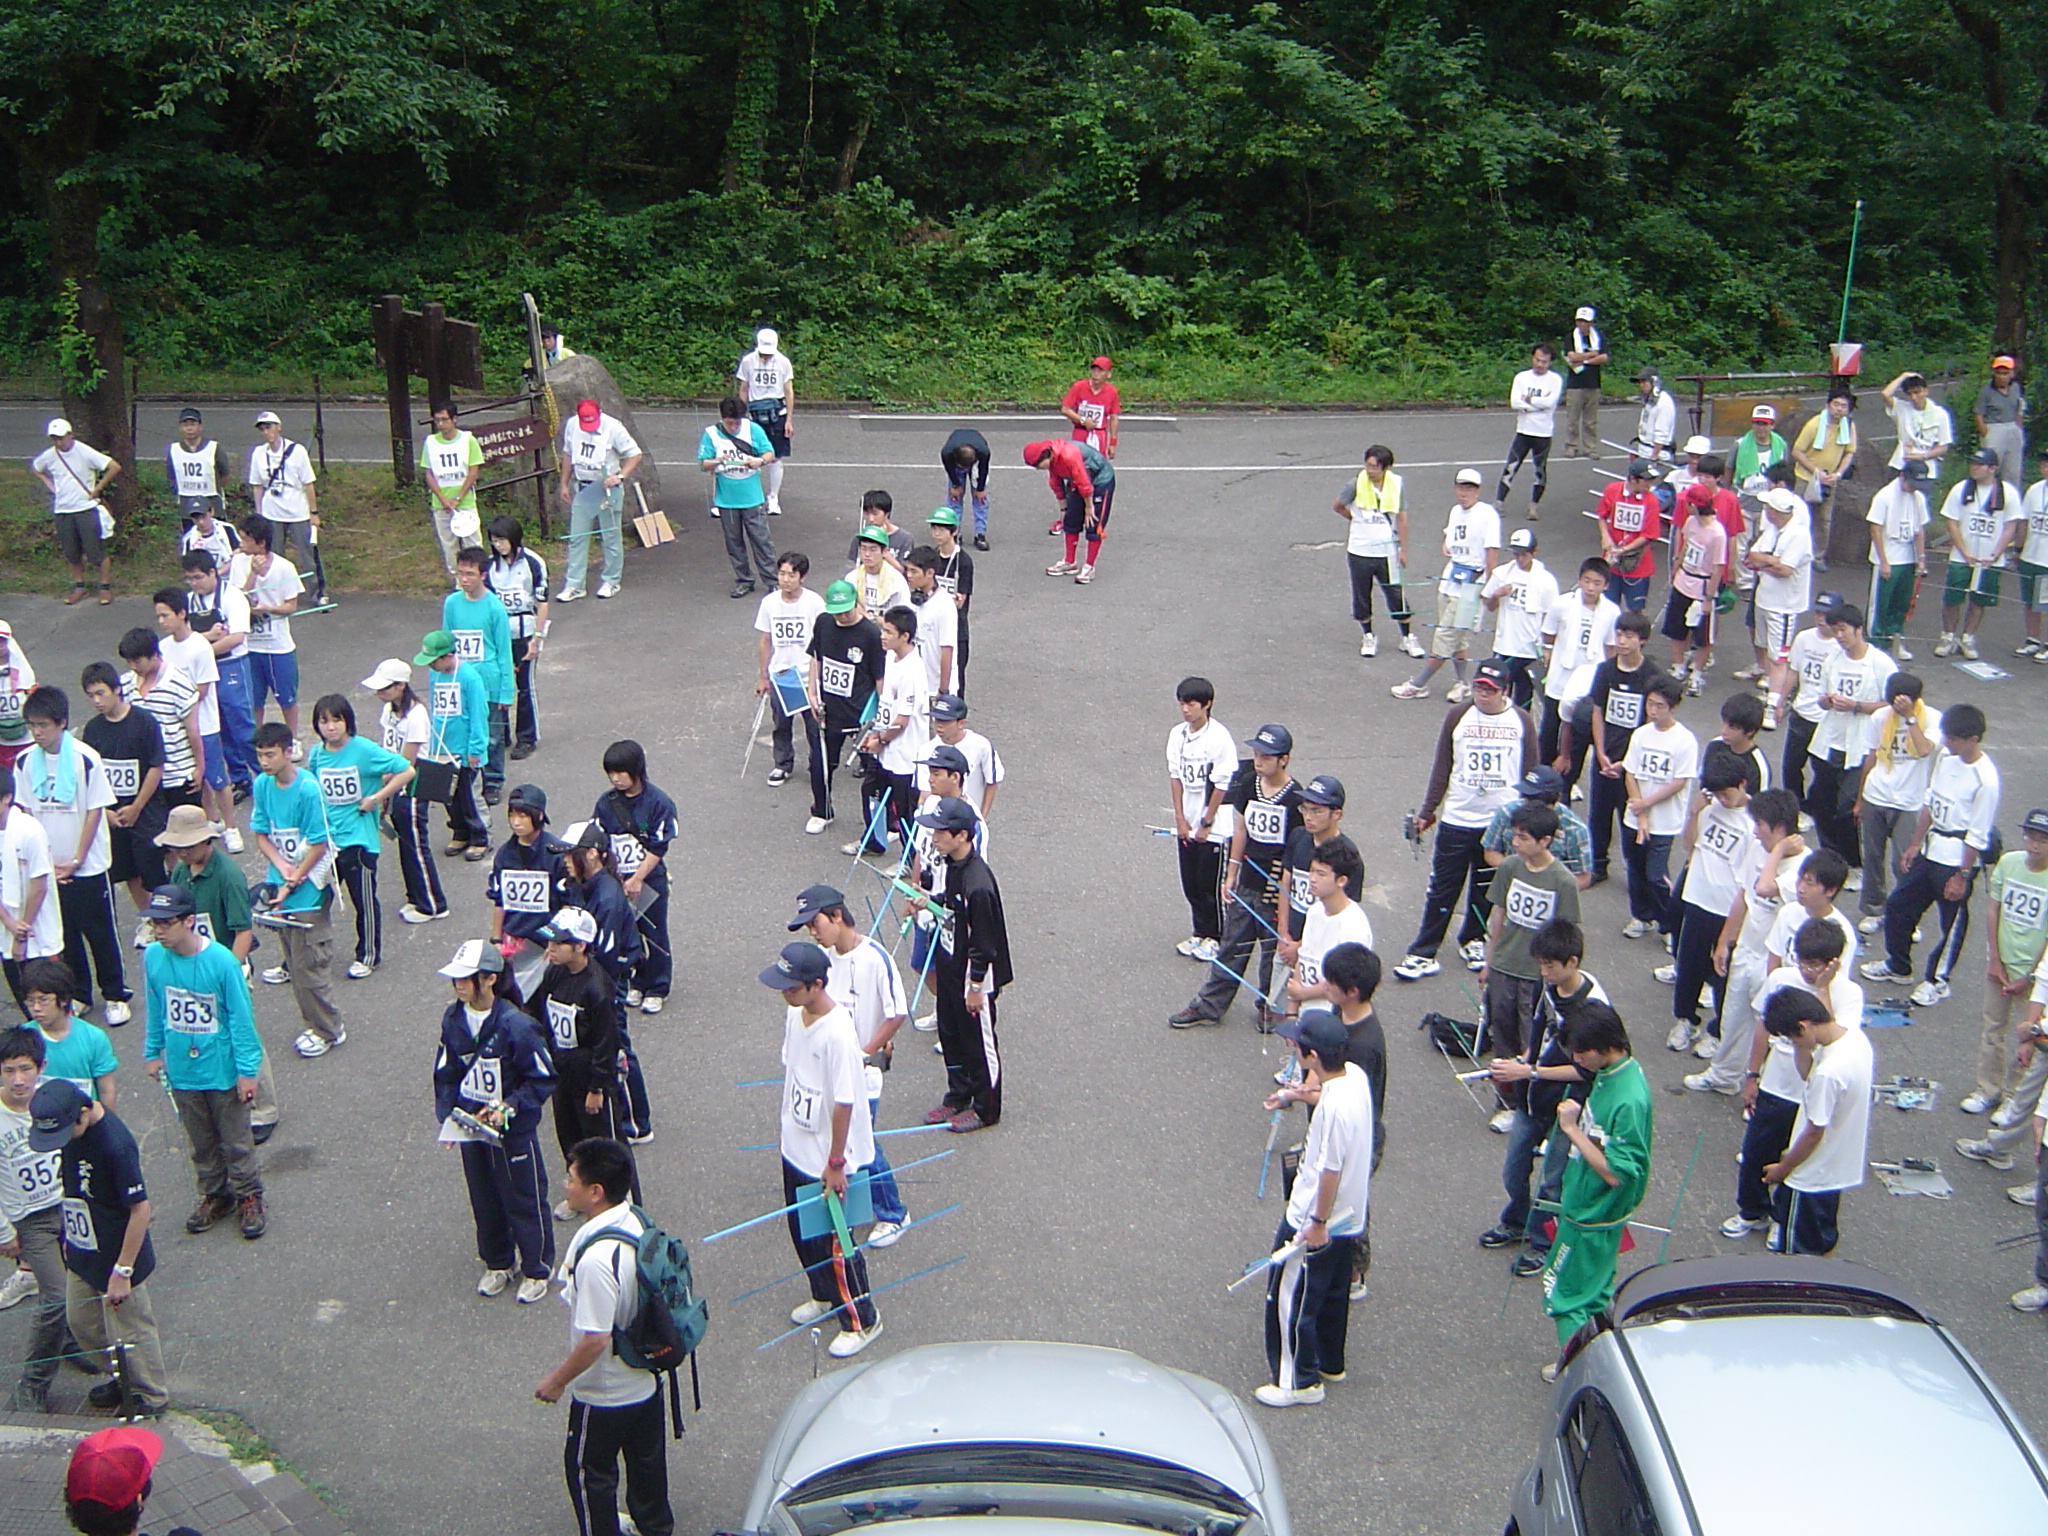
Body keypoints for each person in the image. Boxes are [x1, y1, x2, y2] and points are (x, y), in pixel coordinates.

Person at [534, 1138, 674, 1536]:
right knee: (646, 1462)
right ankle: (654, 1527)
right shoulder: (635, 1220)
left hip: (606, 1391)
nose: (566, 1185)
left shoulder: (597, 1260)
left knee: (589, 1472)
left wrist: (557, 1381)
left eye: (571, 1178)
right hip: (646, 1376)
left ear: (595, 1192)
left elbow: (595, 1338)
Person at [759, 942, 882, 1355]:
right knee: (803, 1232)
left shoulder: (838, 1033)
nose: (785, 994)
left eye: (793, 987)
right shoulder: (795, 1014)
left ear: (816, 985)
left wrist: (836, 1161)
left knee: (836, 1241)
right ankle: (825, 1294)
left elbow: (844, 1102)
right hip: (796, 1144)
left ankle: (862, 1318)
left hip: (827, 1158)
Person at [1254, 1010, 1371, 1409]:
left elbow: (1328, 1170)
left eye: (1299, 1045)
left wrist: (1316, 1222)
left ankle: (1297, 1381)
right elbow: (1325, 1097)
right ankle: (1329, 1361)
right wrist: (1294, 1095)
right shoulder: (1354, 1076)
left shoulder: (1334, 1109)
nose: (1294, 1047)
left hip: (1312, 1217)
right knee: (1333, 1292)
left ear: (1314, 1056)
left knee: (1290, 1296)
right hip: (1350, 1216)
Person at [29, 1078, 167, 1415]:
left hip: (118, 1254)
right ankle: (122, 1378)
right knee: (82, 1323)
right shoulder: (70, 1133)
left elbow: (141, 1210)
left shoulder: (114, 1145)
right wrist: (68, 1236)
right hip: (83, 1247)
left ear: (83, 1112)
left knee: (131, 1329)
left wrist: (123, 1270)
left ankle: (149, 1393)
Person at [1392, 659, 1534, 980]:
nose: (1483, 694)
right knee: (1442, 887)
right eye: (1479, 687)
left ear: (1505, 690)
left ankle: (1473, 938)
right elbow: (1443, 765)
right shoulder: (1458, 716)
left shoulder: (1521, 721)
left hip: (1500, 822)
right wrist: (1428, 810)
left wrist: (1528, 820)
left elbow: (1530, 770)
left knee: (1486, 887)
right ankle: (1423, 951)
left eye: (1490, 690)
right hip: (1458, 817)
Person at [138, 885, 265, 1240]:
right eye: (155, 924)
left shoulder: (222, 962)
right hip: (183, 1070)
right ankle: (215, 1193)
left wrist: (247, 1072)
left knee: (236, 1139)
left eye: (167, 923)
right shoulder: (153, 957)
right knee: (201, 1141)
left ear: (189, 921)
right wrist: (152, 1051)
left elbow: (242, 1019)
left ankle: (248, 1195)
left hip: (221, 1069)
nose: (159, 931)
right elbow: (156, 1005)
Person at [433, 940, 556, 1301]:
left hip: (512, 1132)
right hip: (473, 1128)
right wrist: (449, 1117)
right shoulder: (453, 1019)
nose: (458, 986)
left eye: (465, 978)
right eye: (456, 979)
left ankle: (537, 1268)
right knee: (484, 1197)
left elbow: (542, 1077)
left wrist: (510, 1106)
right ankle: (498, 1262)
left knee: (525, 1195)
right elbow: (445, 1073)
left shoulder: (517, 1025)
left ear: (489, 979)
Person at [1483, 919, 1606, 1278]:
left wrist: (1531, 1072)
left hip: (1567, 1106)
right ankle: (1517, 1220)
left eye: (1550, 965)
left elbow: (1587, 1070)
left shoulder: (1594, 1007)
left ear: (1572, 961)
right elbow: (1540, 1036)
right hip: (1532, 1096)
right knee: (1513, 1170)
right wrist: (1521, 1062)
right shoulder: (1547, 987)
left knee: (1553, 1182)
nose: (1543, 972)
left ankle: (1542, 1241)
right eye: (1540, 964)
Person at [791, 885, 910, 1246]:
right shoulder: (823, 961)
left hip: (863, 1075)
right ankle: (847, 1204)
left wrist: (866, 1050)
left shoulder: (875, 958)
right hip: (829, 1073)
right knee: (838, 1141)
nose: (813, 933)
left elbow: (897, 1012)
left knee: (861, 1146)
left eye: (815, 923)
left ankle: (893, 1213)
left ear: (837, 916)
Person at [1861, 703, 2000, 1007]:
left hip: (1957, 859)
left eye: (1953, 738)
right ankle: (1898, 965)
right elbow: (1929, 803)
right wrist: (1915, 845)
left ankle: (1938, 981)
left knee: (1950, 924)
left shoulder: (1986, 779)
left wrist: (1962, 875)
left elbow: (1978, 832)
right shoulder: (1946, 759)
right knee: (1899, 905)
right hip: (1930, 851)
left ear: (1973, 739)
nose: (1946, 742)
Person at [1538, 1004, 1651, 1376]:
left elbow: (1618, 1172)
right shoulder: (1615, 1073)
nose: (1576, 1059)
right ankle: (1599, 1359)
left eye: (1582, 1051)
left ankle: (1580, 1370)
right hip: (1595, 1209)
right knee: (1596, 1294)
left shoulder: (1628, 1098)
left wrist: (1572, 1129)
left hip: (1591, 1214)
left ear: (1606, 1044)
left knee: (1564, 1296)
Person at [158, 805, 277, 1144]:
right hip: (195, 970)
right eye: (178, 846)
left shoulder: (228, 875)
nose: (182, 852)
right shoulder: (181, 873)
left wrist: (230, 975)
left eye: (189, 845)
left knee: (244, 1036)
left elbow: (243, 932)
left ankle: (264, 1110)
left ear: (206, 840)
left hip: (227, 967)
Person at [1169, 725, 1302, 1030]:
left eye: (1266, 757)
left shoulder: (1295, 799)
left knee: (1271, 952)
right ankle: (1210, 1004)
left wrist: (1285, 892)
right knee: (1232, 946)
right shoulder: (1249, 784)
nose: (1259, 761)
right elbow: (1241, 829)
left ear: (1283, 760)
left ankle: (1270, 1005)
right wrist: (1231, 874)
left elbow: (1294, 852)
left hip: (1274, 887)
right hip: (1248, 882)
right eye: (1256, 754)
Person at [15, 689, 129, 1024]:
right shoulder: (25, 761)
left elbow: (94, 811)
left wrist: (77, 859)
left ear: (61, 722)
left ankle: (115, 994)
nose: (37, 732)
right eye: (32, 725)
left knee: (100, 932)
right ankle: (79, 994)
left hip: (87, 866)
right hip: (50, 867)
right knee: (66, 935)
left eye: (43, 725)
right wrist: (45, 863)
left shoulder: (85, 758)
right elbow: (26, 811)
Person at [912, 796, 1013, 1132]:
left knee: (979, 1044)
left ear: (962, 836)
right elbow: (951, 905)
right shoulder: (953, 866)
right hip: (950, 964)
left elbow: (984, 944)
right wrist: (929, 901)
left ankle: (986, 1108)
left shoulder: (978, 884)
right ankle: (958, 1095)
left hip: (974, 977)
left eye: (941, 832)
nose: (934, 838)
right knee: (951, 1034)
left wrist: (975, 987)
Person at [1480, 805, 1581, 1133]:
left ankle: (1536, 1106)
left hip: (1537, 976)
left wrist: (1561, 980)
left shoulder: (1562, 881)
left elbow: (1568, 936)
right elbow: (1499, 915)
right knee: (1503, 1035)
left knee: (1533, 1043)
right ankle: (1507, 1102)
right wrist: (1489, 961)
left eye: (1523, 837)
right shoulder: (1510, 867)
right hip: (1504, 967)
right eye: (1515, 835)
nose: (1515, 842)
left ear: (1545, 840)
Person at [250, 720, 346, 1058]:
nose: (264, 762)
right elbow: (261, 833)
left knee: (309, 966)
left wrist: (293, 878)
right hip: (282, 883)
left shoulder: (308, 789)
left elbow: (319, 843)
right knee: (293, 960)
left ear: (288, 752)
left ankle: (329, 1029)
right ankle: (315, 1024)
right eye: (260, 755)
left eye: (270, 755)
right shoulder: (262, 785)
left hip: (308, 889)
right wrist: (282, 868)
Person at [1761, 983, 1874, 1255]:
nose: (1794, 1043)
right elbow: (1807, 1075)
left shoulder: (1829, 1072)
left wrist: (1783, 1168)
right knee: (1823, 1242)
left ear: (1803, 1026)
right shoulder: (1853, 1039)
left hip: (1809, 1175)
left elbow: (1814, 1132)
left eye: (1792, 1038)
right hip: (1834, 1169)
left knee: (1797, 1254)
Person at [307, 693, 415, 978]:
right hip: (328, 841)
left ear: (348, 721)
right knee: (311, 900)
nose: (331, 727)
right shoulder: (316, 754)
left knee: (363, 900)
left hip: (359, 840)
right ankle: (302, 957)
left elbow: (406, 770)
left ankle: (368, 955)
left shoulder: (364, 749)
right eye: (324, 721)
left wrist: (376, 798)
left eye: (336, 720)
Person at [558, 823, 653, 1145]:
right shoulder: (579, 885)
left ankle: (636, 1123)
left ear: (592, 854)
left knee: (617, 1047)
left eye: (571, 854)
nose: (565, 861)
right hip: (593, 980)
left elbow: (605, 960)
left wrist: (592, 994)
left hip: (608, 983)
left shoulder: (608, 898)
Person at [529, 910, 628, 1192]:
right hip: (563, 1071)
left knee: (602, 1145)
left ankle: (619, 1199)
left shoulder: (597, 988)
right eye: (549, 942)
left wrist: (597, 1088)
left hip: (588, 1074)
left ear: (580, 946)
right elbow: (542, 1016)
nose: (550, 949)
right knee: (569, 1137)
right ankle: (580, 1193)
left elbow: (606, 1042)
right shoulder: (554, 973)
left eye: (558, 943)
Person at [0, 1026, 69, 1412]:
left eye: (25, 1069)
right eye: (9, 1070)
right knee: (55, 1295)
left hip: (67, 1205)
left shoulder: (54, 1098)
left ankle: (72, 1341)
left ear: (40, 1067)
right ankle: (33, 1382)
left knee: (80, 1282)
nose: (18, 1080)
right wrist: (4, 1232)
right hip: (30, 1220)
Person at [1663, 754, 1751, 1053]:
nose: (1722, 800)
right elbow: (1689, 845)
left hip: (1728, 908)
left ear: (1742, 784)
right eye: (1717, 795)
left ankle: (1717, 1031)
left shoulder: (1753, 822)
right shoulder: (1708, 808)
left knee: (1723, 973)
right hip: (1697, 899)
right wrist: (1694, 813)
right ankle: (1686, 1020)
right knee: (1688, 966)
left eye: (1727, 794)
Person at [1390, 469, 1500, 700]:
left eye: (1469, 488)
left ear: (1478, 491)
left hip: (1471, 586)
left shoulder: (1487, 515)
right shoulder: (1455, 512)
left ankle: (1419, 683)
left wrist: (1489, 591)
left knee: (1445, 637)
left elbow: (1491, 555)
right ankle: (1463, 683)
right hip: (1450, 580)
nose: (1463, 493)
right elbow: (1449, 540)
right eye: (1460, 488)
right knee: (1458, 638)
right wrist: (1446, 545)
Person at [78, 663, 168, 936]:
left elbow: (156, 766)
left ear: (117, 689)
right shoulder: (93, 730)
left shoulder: (143, 721)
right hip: (113, 814)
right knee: (128, 871)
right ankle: (148, 920)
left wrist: (137, 806)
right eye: (91, 695)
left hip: (146, 810)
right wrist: (105, 811)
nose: (96, 701)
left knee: (153, 867)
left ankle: (166, 919)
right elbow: (90, 775)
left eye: (101, 693)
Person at [1969, 810, 2048, 1118]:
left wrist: (2031, 975)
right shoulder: (2009, 863)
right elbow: (1993, 910)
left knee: (2028, 1035)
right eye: (2031, 837)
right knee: (1992, 1028)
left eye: (2043, 840)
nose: (2035, 845)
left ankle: (2014, 1097)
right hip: (2001, 964)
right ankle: (1987, 1090)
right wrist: (1995, 960)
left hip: (2035, 973)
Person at [1803, 605, 1894, 865]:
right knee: (1821, 802)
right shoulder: (1833, 659)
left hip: (1861, 745)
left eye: (1843, 630)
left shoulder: (1880, 663)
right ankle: (1830, 856)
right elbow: (1821, 699)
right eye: (1835, 631)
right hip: (1830, 741)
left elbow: (1893, 704)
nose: (1839, 636)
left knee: (1848, 807)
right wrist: (1827, 701)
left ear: (1859, 629)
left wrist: (1857, 706)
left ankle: (1852, 862)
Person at [593, 741, 677, 1015]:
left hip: (649, 878)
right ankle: (637, 981)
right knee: (628, 933)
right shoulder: (606, 803)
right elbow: (598, 840)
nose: (616, 779)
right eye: (611, 773)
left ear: (636, 770)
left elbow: (658, 847)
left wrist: (638, 878)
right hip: (618, 879)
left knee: (654, 933)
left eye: (621, 772)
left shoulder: (658, 802)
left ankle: (658, 987)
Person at [362, 658, 448, 922]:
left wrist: (382, 783)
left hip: (412, 785)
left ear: (401, 686)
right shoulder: (389, 710)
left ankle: (432, 904)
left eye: (386, 687)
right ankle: (416, 897)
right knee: (405, 844)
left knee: (416, 845)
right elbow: (386, 747)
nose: (380, 693)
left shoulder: (417, 716)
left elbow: (406, 761)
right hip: (394, 784)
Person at [178, 550, 256, 835]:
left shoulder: (233, 597)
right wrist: (206, 642)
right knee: (218, 727)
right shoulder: (188, 602)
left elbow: (236, 637)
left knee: (242, 725)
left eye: (199, 577)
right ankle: (239, 778)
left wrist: (201, 649)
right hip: (202, 671)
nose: (194, 583)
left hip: (231, 665)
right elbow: (183, 636)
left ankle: (264, 776)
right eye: (190, 579)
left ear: (213, 572)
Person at [1581, 613, 1662, 883]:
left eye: (1629, 636)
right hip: (1606, 757)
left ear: (1642, 640)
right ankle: (1598, 865)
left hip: (1633, 761)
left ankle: (1636, 871)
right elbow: (1598, 711)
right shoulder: (1605, 670)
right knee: (1598, 814)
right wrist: (1600, 752)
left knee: (1631, 815)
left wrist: (1627, 760)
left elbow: (1650, 721)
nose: (1622, 641)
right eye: (1619, 635)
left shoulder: (1651, 675)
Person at [1854, 674, 1937, 932]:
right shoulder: (1880, 718)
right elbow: (1870, 758)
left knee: (1905, 862)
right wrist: (1859, 799)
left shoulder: (1932, 718)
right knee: (1872, 857)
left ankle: (1906, 916)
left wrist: (1910, 718)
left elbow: (1924, 749)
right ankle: (1874, 909)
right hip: (1876, 796)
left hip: (1910, 802)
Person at [1619, 676, 1698, 942]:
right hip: (1635, 818)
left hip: (1664, 820)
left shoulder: (1684, 740)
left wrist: (1646, 804)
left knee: (1656, 876)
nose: (1652, 710)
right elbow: (1630, 773)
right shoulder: (1641, 734)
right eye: (1650, 704)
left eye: (1659, 706)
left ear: (1672, 707)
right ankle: (1641, 916)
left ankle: (1669, 924)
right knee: (1635, 869)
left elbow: (1679, 782)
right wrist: (1639, 811)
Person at [849, 608, 931, 861]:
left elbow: (902, 720)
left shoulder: (912, 671)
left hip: (905, 756)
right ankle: (875, 841)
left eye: (888, 632)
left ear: (905, 636)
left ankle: (911, 861)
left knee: (905, 812)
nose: (882, 636)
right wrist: (875, 732)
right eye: (883, 630)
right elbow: (886, 705)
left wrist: (881, 740)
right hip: (885, 749)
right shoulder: (890, 657)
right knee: (870, 792)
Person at [804, 581, 885, 837]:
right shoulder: (823, 623)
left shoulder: (871, 634)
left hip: (862, 714)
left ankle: (881, 823)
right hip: (830, 711)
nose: (841, 617)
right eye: (837, 612)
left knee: (874, 772)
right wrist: (812, 692)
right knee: (820, 764)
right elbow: (816, 657)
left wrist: (881, 714)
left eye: (846, 611)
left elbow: (880, 677)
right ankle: (821, 810)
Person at [1165, 676, 1237, 963]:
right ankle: (1199, 931)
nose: (1185, 710)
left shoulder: (1219, 738)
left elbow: (1221, 784)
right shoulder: (1177, 735)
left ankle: (1216, 937)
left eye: (1192, 704)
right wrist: (1181, 819)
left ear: (1206, 705)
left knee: (1209, 885)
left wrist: (1206, 823)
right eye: (1182, 703)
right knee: (1191, 883)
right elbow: (1176, 777)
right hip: (1188, 822)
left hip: (1213, 827)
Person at [151, 589, 230, 841]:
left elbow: (202, 690)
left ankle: (231, 827)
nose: (161, 621)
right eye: (158, 616)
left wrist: (175, 701)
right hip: (178, 728)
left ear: (182, 613)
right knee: (197, 779)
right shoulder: (162, 648)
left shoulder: (200, 647)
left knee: (217, 779)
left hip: (204, 725)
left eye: (166, 615)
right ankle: (211, 821)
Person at [1537, 559, 1619, 794]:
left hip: (1588, 680)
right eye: (1587, 581)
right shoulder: (1562, 604)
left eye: (1597, 583)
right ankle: (1545, 776)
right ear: (1580, 580)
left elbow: (1610, 646)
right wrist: (1548, 654)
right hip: (1561, 675)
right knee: (1550, 728)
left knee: (1579, 732)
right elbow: (1549, 634)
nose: (1590, 587)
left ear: (1605, 585)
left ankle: (1568, 780)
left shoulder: (1611, 611)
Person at [1933, 448, 2022, 661]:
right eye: (1972, 463)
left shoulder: (2007, 492)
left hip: (1989, 559)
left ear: (1992, 468)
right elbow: (1952, 522)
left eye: (1979, 464)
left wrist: (1996, 554)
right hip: (1961, 557)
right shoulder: (1961, 489)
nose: (1973, 468)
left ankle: (1968, 637)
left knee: (1979, 600)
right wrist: (1964, 551)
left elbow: (2010, 526)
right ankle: (1948, 636)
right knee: (1953, 598)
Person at [446, 546, 517, 804]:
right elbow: (446, 642)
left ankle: (494, 780)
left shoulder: (494, 608)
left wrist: (506, 691)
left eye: (470, 574)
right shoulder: (452, 604)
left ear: (483, 576)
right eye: (460, 573)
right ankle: (467, 777)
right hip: (461, 680)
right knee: (464, 728)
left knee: (492, 735)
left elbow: (504, 651)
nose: (464, 579)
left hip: (488, 679)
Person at [1335, 445, 1417, 659]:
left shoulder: (1396, 485)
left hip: (1387, 551)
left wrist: (1403, 549)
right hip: (1360, 550)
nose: (1370, 471)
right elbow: (1338, 506)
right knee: (1362, 595)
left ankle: (1407, 636)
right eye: (1368, 465)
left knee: (1396, 594)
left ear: (1386, 468)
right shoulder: (1355, 484)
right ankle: (1368, 635)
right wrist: (1355, 519)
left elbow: (1402, 518)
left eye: (1375, 467)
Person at [558, 398, 643, 604]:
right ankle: (574, 584)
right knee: (578, 536)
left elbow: (635, 454)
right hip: (583, 485)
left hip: (606, 487)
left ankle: (611, 580)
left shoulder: (613, 427)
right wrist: (564, 483)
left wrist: (620, 476)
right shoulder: (572, 425)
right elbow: (568, 454)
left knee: (610, 536)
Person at [489, 784, 570, 998]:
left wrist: (555, 941)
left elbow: (567, 903)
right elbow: (499, 901)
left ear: (539, 816)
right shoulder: (504, 855)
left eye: (523, 816)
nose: (516, 822)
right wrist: (496, 940)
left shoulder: (556, 854)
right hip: (514, 942)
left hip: (545, 942)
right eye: (512, 815)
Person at [418, 629, 491, 860]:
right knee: (448, 795)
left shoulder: (470, 678)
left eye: (434, 661)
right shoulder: (436, 675)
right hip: (443, 747)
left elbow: (479, 715)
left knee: (469, 796)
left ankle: (480, 836)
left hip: (465, 750)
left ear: (448, 655)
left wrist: (475, 749)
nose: (431, 666)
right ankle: (460, 831)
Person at [756, 552, 828, 790]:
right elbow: (766, 640)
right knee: (781, 724)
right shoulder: (769, 603)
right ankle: (782, 764)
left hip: (808, 676)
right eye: (782, 574)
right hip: (782, 675)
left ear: (802, 577)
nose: (786, 580)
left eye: (791, 575)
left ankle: (818, 765)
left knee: (814, 726)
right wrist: (763, 676)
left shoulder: (815, 603)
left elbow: (823, 640)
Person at [31, 418, 120, 606]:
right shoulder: (50, 455)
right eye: (54, 439)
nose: (58, 442)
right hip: (63, 510)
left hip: (85, 508)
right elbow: (37, 468)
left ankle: (105, 586)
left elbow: (113, 466)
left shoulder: (83, 451)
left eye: (61, 438)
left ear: (70, 435)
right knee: (72, 552)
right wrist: (51, 486)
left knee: (96, 551)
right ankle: (80, 586)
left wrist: (98, 488)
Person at [116, 629, 202, 825]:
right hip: (144, 779)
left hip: (178, 775)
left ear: (154, 655)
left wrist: (199, 768)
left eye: (137, 661)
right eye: (129, 662)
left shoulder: (179, 683)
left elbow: (193, 731)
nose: (133, 667)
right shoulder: (125, 684)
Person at [1747, 487, 1815, 729]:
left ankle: (1773, 705)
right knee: (1766, 649)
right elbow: (1752, 555)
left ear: (1775, 510)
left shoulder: (1799, 534)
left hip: (1783, 606)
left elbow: (1785, 569)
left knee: (1778, 658)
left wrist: (1765, 562)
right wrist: (1772, 561)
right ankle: (1771, 692)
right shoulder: (1772, 530)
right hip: (1764, 599)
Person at [233, 516, 305, 744]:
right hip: (250, 646)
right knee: (254, 700)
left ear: (261, 542)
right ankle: (259, 742)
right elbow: (236, 599)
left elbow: (291, 606)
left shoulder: (285, 567)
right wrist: (253, 574)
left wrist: (268, 609)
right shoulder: (238, 563)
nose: (241, 543)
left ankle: (292, 740)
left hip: (278, 645)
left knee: (287, 698)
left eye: (246, 539)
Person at [1284, 840, 1375, 1017]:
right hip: (1305, 1012)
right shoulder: (1314, 911)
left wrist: (1302, 993)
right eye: (1312, 871)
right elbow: (1302, 959)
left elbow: (1345, 984)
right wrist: (1292, 1011)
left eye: (1321, 874)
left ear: (1341, 880)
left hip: (1332, 1017)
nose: (1312, 878)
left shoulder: (1354, 927)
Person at [485, 516, 550, 760]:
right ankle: (500, 734)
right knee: (498, 683)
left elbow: (542, 603)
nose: (498, 545)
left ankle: (527, 737)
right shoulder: (490, 565)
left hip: (525, 630)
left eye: (502, 540)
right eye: (494, 541)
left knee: (524, 686)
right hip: (499, 632)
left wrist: (537, 638)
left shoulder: (533, 562)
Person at [700, 396, 777, 600]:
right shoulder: (711, 434)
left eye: (737, 423)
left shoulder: (753, 429)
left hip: (752, 497)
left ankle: (772, 580)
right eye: (729, 423)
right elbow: (703, 463)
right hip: (727, 500)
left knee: (761, 541)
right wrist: (717, 460)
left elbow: (769, 453)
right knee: (734, 543)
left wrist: (759, 461)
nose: (734, 427)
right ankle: (744, 580)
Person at [21, 959, 117, 1105]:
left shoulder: (93, 1038)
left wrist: (107, 1118)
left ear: (64, 999)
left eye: (43, 1000)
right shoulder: (22, 1038)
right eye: (30, 1001)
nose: (36, 1008)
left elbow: (106, 1091)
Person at [1481, 528, 1558, 709]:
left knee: (1523, 702)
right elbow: (1489, 605)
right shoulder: (1502, 574)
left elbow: (1551, 617)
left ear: (1534, 552)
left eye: (1524, 554)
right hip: (1504, 647)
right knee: (1498, 697)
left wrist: (1547, 648)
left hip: (1530, 651)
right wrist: (1496, 595)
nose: (1519, 559)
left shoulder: (1546, 581)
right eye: (1516, 554)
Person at [1662, 484, 1728, 690]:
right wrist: (1676, 566)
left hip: (1702, 586)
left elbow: (1718, 567)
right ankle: (1678, 666)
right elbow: (1686, 545)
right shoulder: (1691, 522)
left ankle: (1697, 673)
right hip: (1683, 581)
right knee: (1676, 627)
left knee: (1702, 636)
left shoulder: (1717, 533)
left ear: (1695, 505)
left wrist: (1709, 597)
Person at [247, 411, 319, 597]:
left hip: (297, 512)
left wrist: (313, 512)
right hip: (272, 513)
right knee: (274, 556)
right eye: (262, 429)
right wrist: (260, 513)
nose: (266, 432)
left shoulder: (297, 451)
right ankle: (278, 594)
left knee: (307, 556)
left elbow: (308, 483)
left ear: (278, 427)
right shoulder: (259, 453)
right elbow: (257, 486)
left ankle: (317, 592)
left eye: (269, 427)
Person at [1481, 767, 1591, 888]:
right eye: (1528, 798)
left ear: (1557, 798)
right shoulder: (1507, 812)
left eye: (1537, 799)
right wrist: (1515, 871)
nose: (1530, 803)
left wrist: (1552, 888)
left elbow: (1583, 876)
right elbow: (1491, 851)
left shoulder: (1574, 828)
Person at [1865, 462, 1931, 658]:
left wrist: (1921, 558)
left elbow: (1920, 530)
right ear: (1902, 476)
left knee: (1901, 603)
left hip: (1907, 556)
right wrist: (1883, 561)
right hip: (1889, 555)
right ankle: (1876, 641)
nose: (1914, 488)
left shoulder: (1918, 498)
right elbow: (1875, 529)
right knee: (1881, 603)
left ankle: (1895, 638)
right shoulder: (1884, 496)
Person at [1027, 438, 1115, 583]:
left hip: (1099, 481)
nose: (1037, 468)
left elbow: (1084, 482)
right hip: (1077, 481)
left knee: (1094, 524)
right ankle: (1070, 561)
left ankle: (1089, 566)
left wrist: (1089, 507)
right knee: (1071, 520)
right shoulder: (1053, 460)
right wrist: (1064, 509)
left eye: (1037, 465)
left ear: (1046, 455)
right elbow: (1055, 483)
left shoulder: (1068, 455)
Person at [1791, 391, 1858, 567]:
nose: (1839, 409)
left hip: (1829, 479)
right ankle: (1795, 553)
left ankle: (1818, 555)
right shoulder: (1814, 425)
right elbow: (1797, 451)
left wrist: (1838, 474)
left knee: (1824, 519)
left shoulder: (1848, 426)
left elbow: (1849, 452)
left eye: (1843, 406)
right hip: (1806, 477)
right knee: (1799, 516)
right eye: (1836, 404)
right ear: (1828, 405)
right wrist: (1815, 472)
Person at [1496, 345, 1565, 516]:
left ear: (1550, 362)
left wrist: (1528, 400)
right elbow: (1515, 403)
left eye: (1544, 362)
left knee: (1539, 470)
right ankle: (1499, 502)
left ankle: (1533, 506)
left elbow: (1550, 403)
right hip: (1524, 431)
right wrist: (1537, 405)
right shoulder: (1522, 378)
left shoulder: (1555, 380)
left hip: (1543, 432)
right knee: (1511, 466)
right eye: (1537, 360)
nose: (1540, 364)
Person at [420, 401, 486, 579]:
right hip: (441, 503)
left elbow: (473, 471)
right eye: (437, 420)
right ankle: (458, 580)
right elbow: (429, 473)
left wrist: (458, 498)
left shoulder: (467, 440)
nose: (441, 424)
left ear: (454, 419)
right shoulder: (431, 442)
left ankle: (479, 577)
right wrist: (443, 498)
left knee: (473, 543)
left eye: (444, 420)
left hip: (465, 502)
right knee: (449, 545)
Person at [737, 327, 795, 515]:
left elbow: (788, 391)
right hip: (754, 413)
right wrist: (742, 415)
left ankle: (773, 497)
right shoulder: (748, 361)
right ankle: (752, 496)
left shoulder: (783, 362)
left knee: (776, 457)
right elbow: (744, 389)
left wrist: (789, 419)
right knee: (749, 455)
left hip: (777, 413)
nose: (766, 356)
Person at [1595, 461, 1664, 613]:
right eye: (1646, 481)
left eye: (1652, 481)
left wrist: (1624, 549)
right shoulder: (1613, 490)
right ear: (1633, 479)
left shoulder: (1651, 500)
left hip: (1638, 563)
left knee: (1635, 609)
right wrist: (1605, 537)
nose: (1650, 485)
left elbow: (1649, 534)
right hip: (1612, 561)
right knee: (1607, 606)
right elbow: (1602, 515)